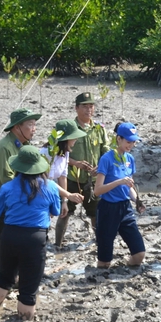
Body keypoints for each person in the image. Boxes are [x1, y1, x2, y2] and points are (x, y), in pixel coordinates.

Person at [0, 146, 61, 320]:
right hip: (35, 238)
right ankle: (24, 319)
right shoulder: (51, 187)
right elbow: (55, 211)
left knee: (4, 276)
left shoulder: (8, 187)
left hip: (10, 236)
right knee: (29, 284)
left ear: (17, 167)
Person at [0, 107, 41, 275]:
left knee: (15, 247)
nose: (34, 129)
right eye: (30, 124)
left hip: (15, 202)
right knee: (1, 248)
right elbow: (7, 180)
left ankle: (12, 280)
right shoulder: (4, 147)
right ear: (17, 127)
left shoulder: (25, 145)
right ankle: (1, 285)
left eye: (34, 125)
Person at [93, 122, 146, 269]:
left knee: (139, 254)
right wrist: (119, 182)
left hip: (125, 208)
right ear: (119, 139)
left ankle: (124, 270)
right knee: (104, 262)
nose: (131, 145)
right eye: (128, 141)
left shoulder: (130, 160)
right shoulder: (106, 159)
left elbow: (129, 187)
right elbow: (97, 191)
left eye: (133, 142)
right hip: (108, 209)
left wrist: (137, 201)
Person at [40, 119, 87, 247]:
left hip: (49, 191)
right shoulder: (47, 154)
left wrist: (64, 201)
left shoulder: (65, 153)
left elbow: (62, 176)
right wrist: (69, 195)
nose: (75, 140)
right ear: (65, 139)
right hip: (38, 194)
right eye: (73, 138)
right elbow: (45, 182)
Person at [67, 92, 109, 233]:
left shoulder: (99, 128)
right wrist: (75, 163)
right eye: (85, 106)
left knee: (96, 213)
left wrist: (101, 166)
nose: (88, 110)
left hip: (94, 180)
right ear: (76, 108)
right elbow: (57, 154)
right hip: (72, 179)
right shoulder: (69, 129)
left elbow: (106, 151)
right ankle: (58, 244)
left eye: (91, 106)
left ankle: (99, 241)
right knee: (65, 212)